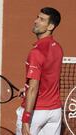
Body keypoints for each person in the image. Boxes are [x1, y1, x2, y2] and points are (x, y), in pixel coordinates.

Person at [16, 7, 63, 135]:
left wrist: (26, 119)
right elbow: (49, 76)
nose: (36, 21)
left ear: (50, 26)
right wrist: (26, 88)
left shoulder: (36, 53)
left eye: (42, 20)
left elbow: (33, 88)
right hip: (55, 112)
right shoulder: (58, 48)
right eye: (37, 17)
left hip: (36, 113)